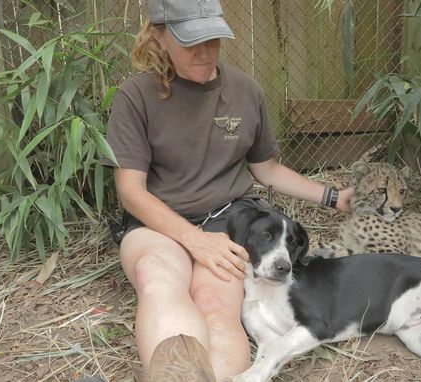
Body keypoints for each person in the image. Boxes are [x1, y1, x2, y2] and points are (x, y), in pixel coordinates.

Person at [101, 0, 352, 381]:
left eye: (213, 40)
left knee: (216, 304)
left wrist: (332, 196)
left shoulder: (245, 91)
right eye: (190, 42)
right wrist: (195, 241)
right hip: (157, 225)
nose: (204, 53)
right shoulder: (135, 96)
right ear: (159, 35)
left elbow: (265, 168)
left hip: (229, 223)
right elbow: (132, 193)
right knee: (159, 279)